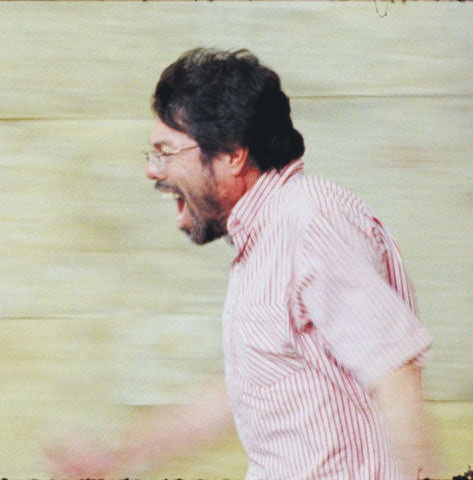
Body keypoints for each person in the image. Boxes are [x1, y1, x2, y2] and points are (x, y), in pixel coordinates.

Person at [45, 48, 433, 479]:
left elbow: (395, 373)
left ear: (232, 154)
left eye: (166, 153)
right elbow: (240, 392)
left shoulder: (310, 223)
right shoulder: (266, 241)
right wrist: (116, 457)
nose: (153, 171)